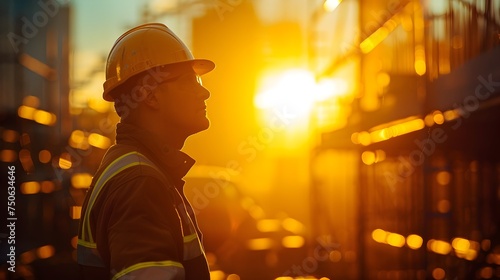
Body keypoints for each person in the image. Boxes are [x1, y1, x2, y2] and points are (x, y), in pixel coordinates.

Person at [77, 23, 215, 280]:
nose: (204, 91)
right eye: (189, 81)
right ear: (149, 96)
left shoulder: (140, 170)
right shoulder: (139, 182)